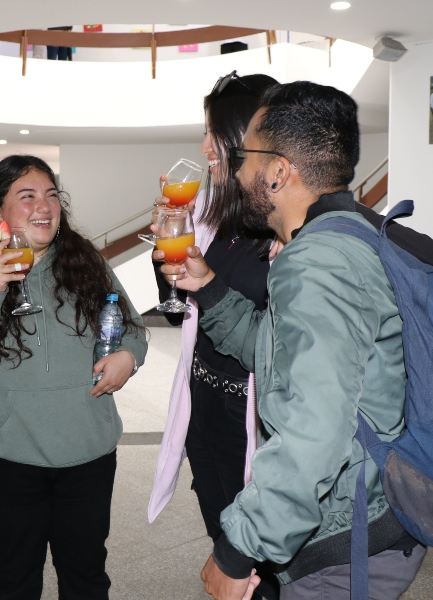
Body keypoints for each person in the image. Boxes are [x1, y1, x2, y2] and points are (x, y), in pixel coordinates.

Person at [156, 81, 433, 599]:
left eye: (244, 155)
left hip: (347, 540)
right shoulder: (344, 236)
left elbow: (313, 433)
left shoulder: (316, 264)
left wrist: (235, 550)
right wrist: (207, 286)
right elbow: (279, 360)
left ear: (277, 171)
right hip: (367, 519)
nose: (232, 167)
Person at [0, 154, 148, 600]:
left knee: (86, 576)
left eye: (51, 195)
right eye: (26, 196)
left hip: (86, 451)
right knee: (13, 580)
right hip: (7, 455)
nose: (44, 207)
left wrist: (129, 355)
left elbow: (131, 327)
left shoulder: (86, 261)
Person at [148, 71, 279, 600]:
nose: (205, 147)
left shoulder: (286, 231)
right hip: (203, 399)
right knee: (221, 527)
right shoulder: (214, 213)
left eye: (214, 134)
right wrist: (169, 251)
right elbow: (182, 307)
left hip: (253, 412)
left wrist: (206, 283)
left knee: (261, 553)